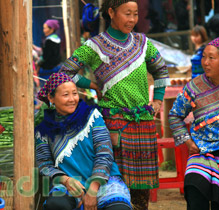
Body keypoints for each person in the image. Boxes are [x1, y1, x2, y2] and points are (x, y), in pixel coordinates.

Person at [58, 1, 170, 209]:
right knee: (114, 184)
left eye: (135, 14)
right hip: (112, 124)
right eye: (127, 14)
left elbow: (161, 71)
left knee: (141, 192)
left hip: (143, 124)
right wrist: (90, 84)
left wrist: (158, 99)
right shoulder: (94, 46)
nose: (132, 20)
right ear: (111, 12)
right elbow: (64, 73)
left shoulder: (143, 42)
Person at [35, 72, 132, 210]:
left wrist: (93, 189)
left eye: (74, 93)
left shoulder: (92, 116)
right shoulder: (44, 129)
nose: (72, 99)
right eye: (65, 95)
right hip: (69, 184)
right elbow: (44, 164)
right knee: (56, 205)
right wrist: (65, 180)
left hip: (102, 181)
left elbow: (104, 153)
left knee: (118, 208)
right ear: (51, 98)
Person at [168, 37, 219, 210]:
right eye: (204, 57)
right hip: (203, 151)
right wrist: (187, 141)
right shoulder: (194, 87)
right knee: (194, 186)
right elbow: (174, 115)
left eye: (212, 58)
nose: (205, 62)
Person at [35, 19, 62, 87]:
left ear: (52, 29)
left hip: (48, 70)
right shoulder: (56, 39)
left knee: (47, 89)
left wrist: (37, 63)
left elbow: (45, 56)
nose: (44, 30)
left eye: (45, 28)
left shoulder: (49, 41)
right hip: (56, 67)